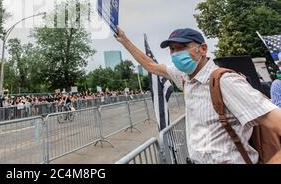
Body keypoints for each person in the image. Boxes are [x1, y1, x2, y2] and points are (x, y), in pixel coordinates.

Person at [115, 26, 281, 164]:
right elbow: (151, 66)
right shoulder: (185, 78)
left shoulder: (225, 81)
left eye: (181, 48)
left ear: (203, 49)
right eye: (172, 49)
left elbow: (276, 122)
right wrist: (124, 40)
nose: (175, 54)